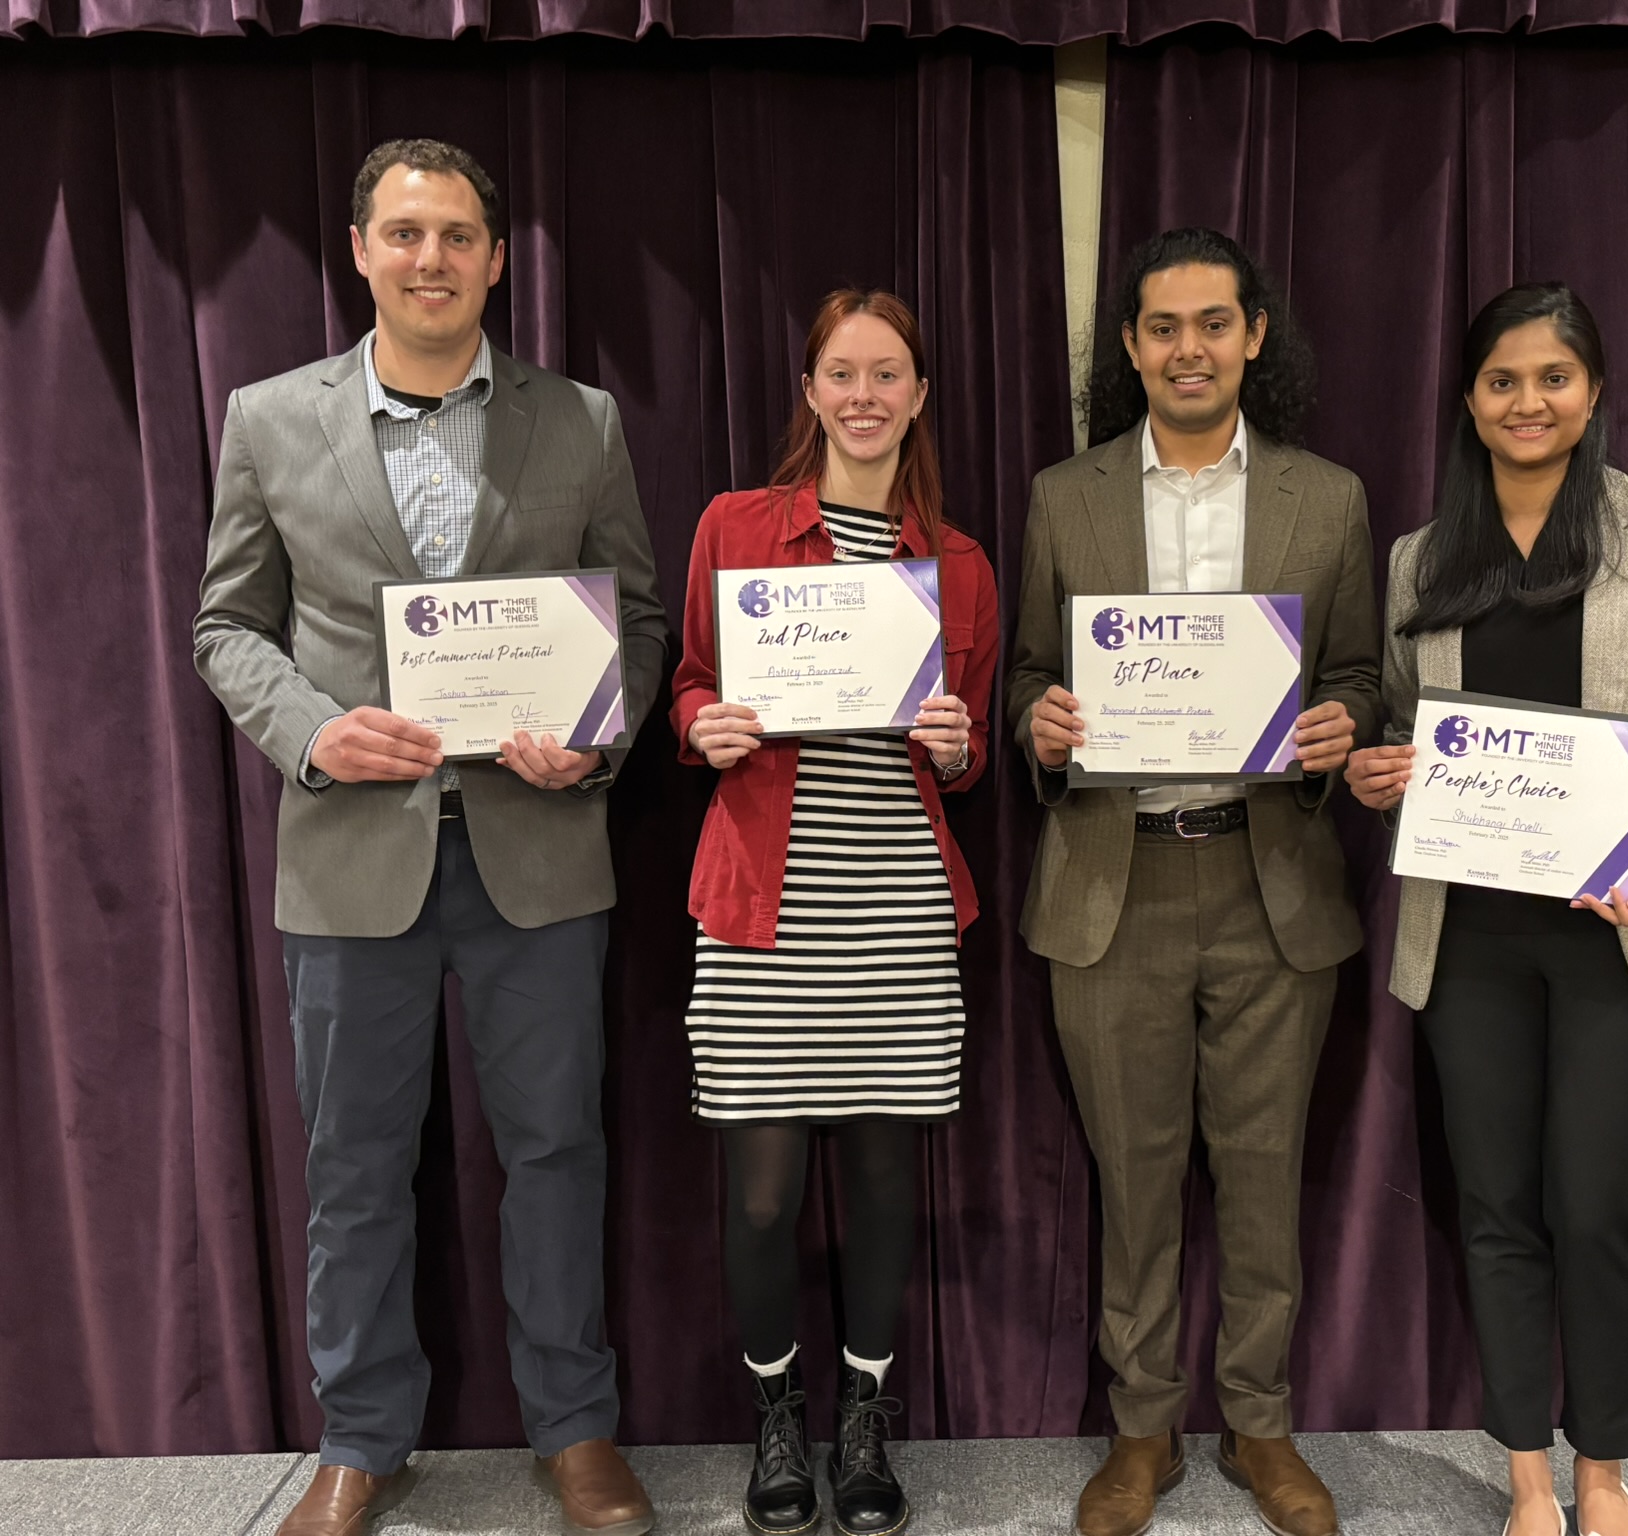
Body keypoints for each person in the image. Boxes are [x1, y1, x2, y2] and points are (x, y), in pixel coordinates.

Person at [193, 139, 666, 1536]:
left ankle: (574, 1428)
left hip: (540, 853)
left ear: (497, 261)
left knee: (556, 1154)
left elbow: (638, 620)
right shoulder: (268, 419)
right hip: (352, 857)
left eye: (459, 236)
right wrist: (311, 731)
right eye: (405, 233)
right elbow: (226, 625)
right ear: (359, 250)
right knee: (352, 1169)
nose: (432, 259)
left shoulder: (581, 419)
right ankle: (361, 1437)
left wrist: (598, 734)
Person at [1345, 283, 1628, 1536]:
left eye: (1552, 378)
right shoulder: (1420, 557)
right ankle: (1528, 1474)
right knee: (1495, 1209)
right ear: (1467, 397)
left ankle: (1602, 1469)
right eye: (1501, 380)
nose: (1525, 402)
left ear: (1591, 393)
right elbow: (1408, 736)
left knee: (1595, 1207)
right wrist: (1380, 773)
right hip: (1468, 943)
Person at [1006, 228, 1379, 1536]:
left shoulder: (1327, 499)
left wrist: (1340, 723)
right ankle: (1142, 1430)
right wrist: (1038, 721)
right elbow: (1025, 673)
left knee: (1264, 1179)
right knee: (1135, 1178)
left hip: (1272, 879)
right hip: (1112, 886)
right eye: (1161, 327)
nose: (1187, 349)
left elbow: (1356, 673)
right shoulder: (1066, 496)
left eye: (1212, 323)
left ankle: (1260, 1426)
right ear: (1130, 345)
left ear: (1253, 336)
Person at [670, 289, 999, 1536]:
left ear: (918, 396)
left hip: (896, 907)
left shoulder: (957, 563)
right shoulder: (735, 526)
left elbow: (965, 749)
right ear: (809, 392)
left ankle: (863, 1421)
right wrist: (700, 725)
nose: (864, 396)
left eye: (887, 374)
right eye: (841, 374)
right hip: (763, 910)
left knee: (879, 1191)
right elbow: (690, 683)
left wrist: (958, 746)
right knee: (760, 1198)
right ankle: (777, 1417)